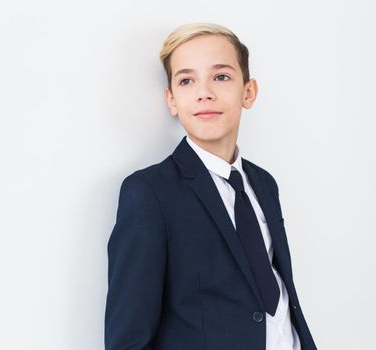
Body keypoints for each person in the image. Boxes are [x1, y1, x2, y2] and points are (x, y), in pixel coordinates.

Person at [104, 23, 317, 350]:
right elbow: (128, 340)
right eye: (187, 80)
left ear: (248, 92)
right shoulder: (149, 193)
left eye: (220, 77)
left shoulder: (264, 184)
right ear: (171, 100)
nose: (204, 92)